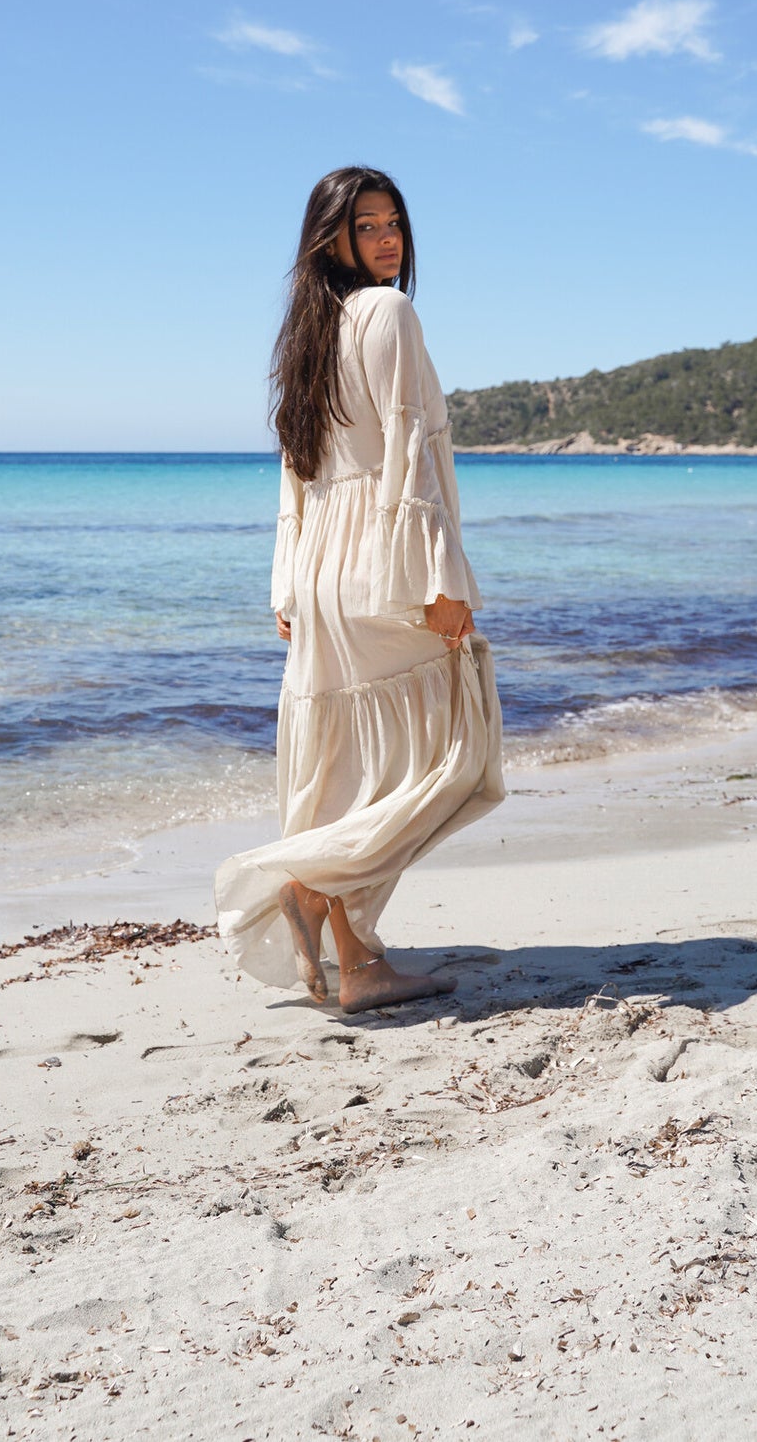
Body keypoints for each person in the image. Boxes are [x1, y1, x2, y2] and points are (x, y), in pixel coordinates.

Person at [214, 166, 505, 1012]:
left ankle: (360, 964)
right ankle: (311, 885)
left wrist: (287, 586)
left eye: (394, 223)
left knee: (347, 769)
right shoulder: (386, 312)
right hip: (381, 562)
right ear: (330, 238)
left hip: (323, 570)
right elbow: (410, 450)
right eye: (366, 225)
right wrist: (439, 575)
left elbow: (296, 480)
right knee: (457, 752)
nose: (386, 240)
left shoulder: (310, 334)